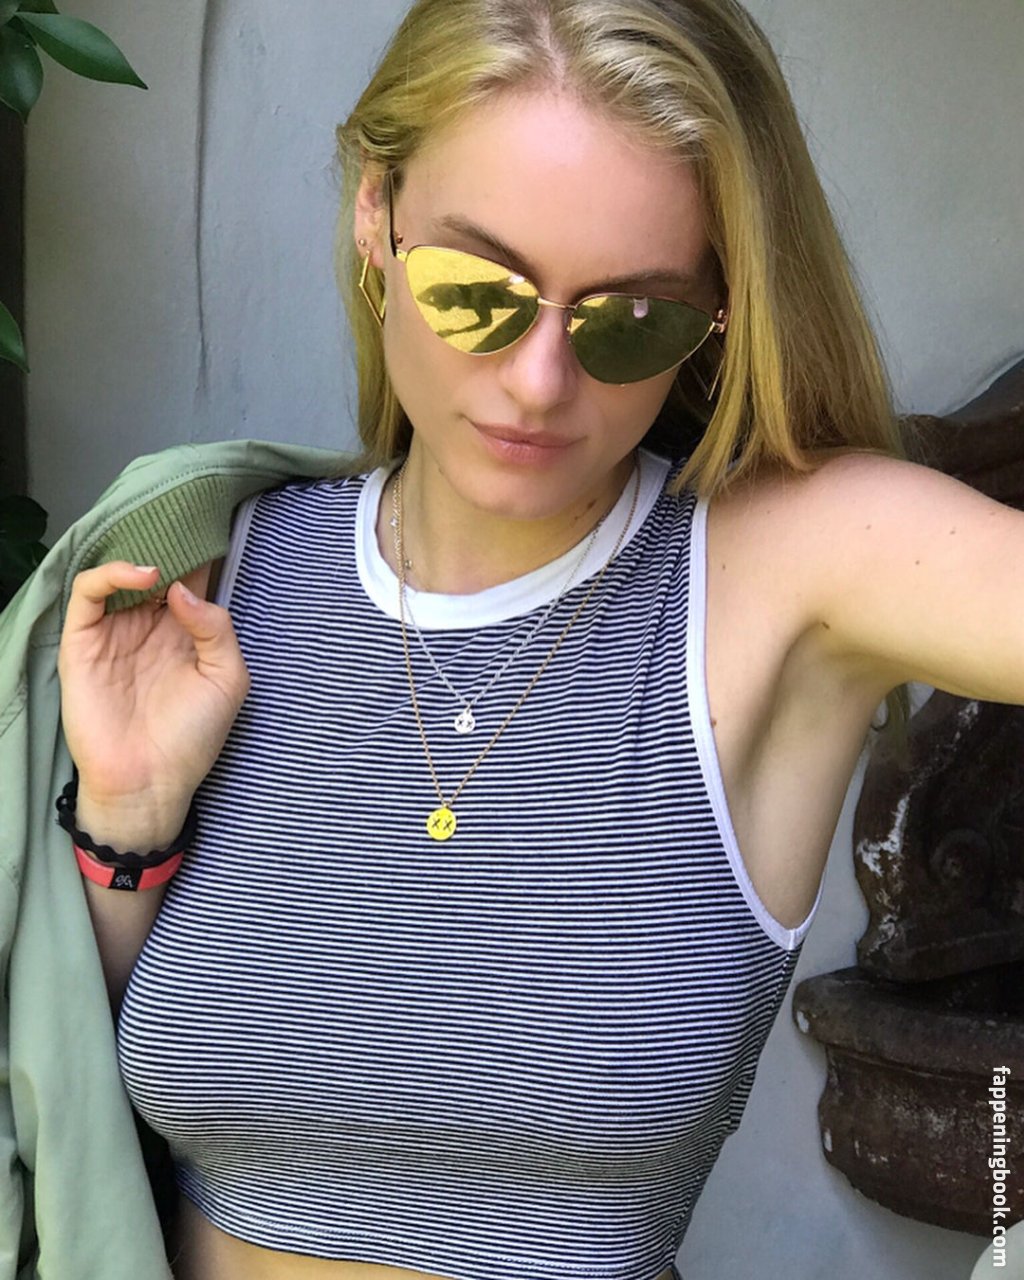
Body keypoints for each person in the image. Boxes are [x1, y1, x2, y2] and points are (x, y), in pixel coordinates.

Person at [51, 1, 1024, 1278]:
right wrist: (127, 821)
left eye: (631, 320)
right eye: (476, 292)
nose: (538, 381)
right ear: (374, 217)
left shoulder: (779, 568)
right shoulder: (222, 572)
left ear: (720, 306)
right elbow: (72, 1115)